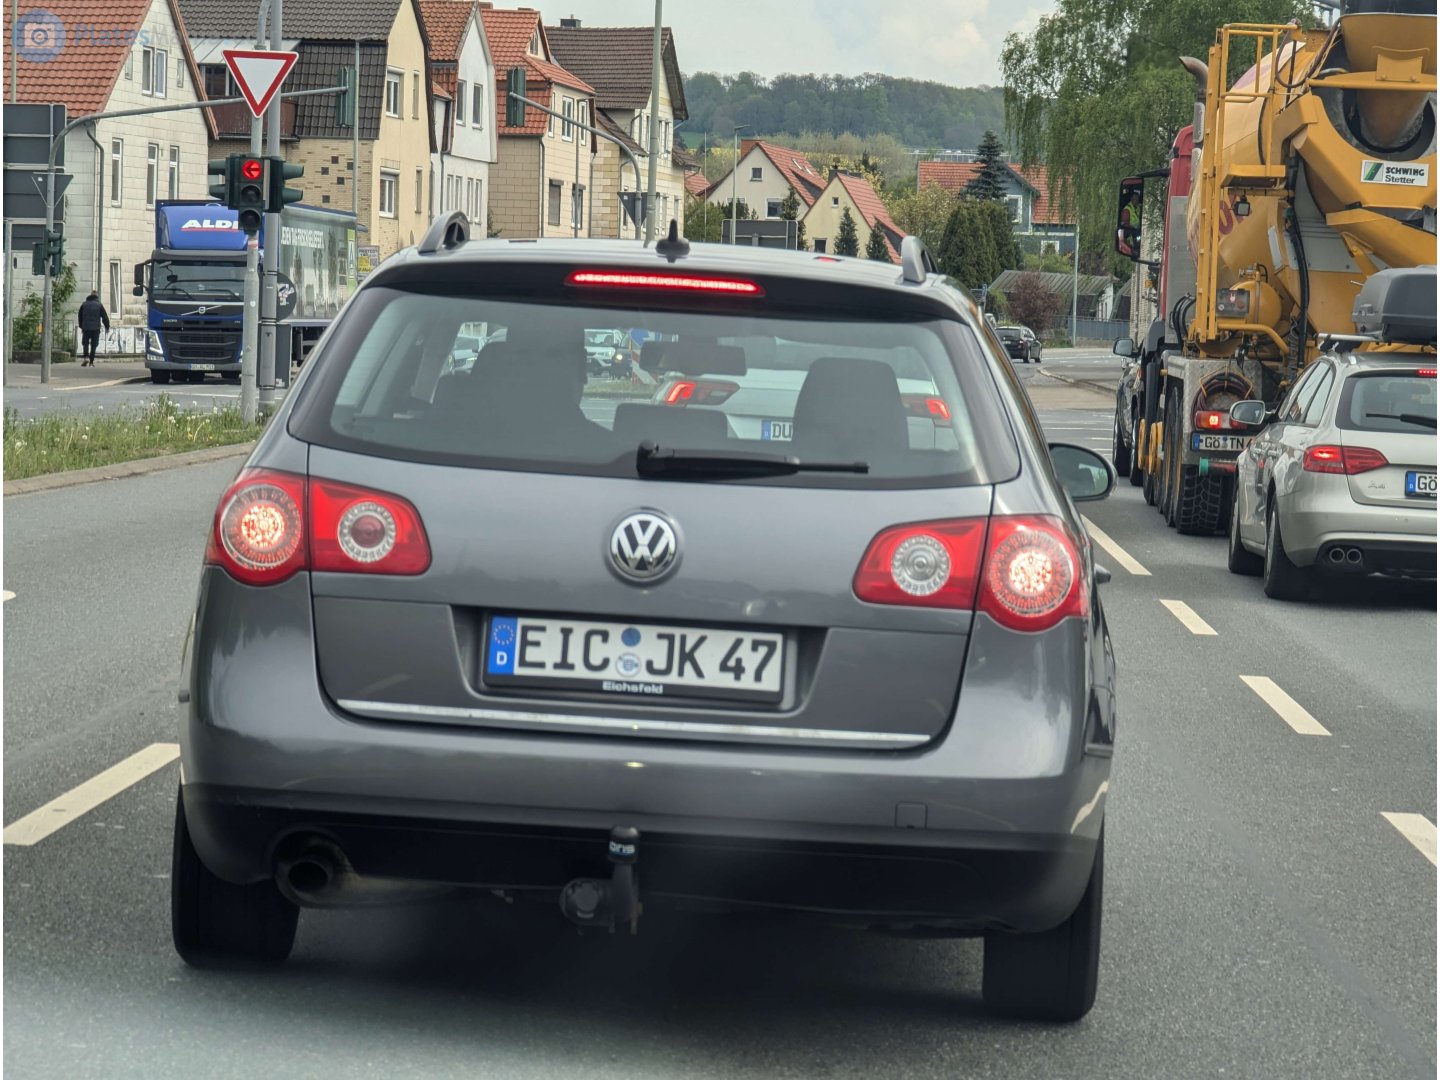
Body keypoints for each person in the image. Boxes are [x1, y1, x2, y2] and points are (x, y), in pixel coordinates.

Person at [76, 291, 110, 366]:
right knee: (94, 345)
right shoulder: (99, 305)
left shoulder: (84, 304)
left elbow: (80, 316)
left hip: (86, 327)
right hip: (96, 328)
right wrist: (107, 327)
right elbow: (105, 317)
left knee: (85, 343)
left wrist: (81, 326)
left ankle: (86, 357)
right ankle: (91, 362)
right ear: (97, 296)